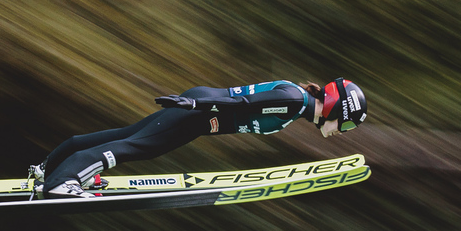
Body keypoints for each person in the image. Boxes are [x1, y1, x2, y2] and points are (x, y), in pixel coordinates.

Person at [30, 78, 367, 198]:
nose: (341, 132)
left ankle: (49, 169)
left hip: (201, 112)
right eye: (346, 125)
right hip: (200, 112)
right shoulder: (294, 101)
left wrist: (197, 105)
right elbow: (244, 104)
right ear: (337, 108)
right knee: (135, 146)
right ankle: (62, 182)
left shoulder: (297, 102)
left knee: (127, 137)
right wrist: (195, 106)